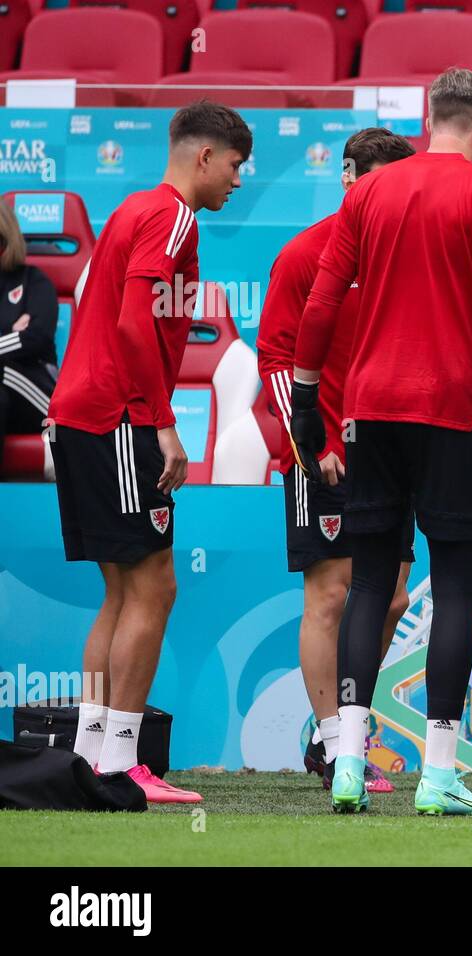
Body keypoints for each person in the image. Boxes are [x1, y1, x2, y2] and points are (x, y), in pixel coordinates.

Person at [290, 69, 472, 816]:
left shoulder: (369, 191)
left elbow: (322, 301)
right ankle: (437, 774)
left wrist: (308, 403)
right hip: (451, 408)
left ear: (430, 118)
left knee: (368, 580)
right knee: (457, 582)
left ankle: (346, 762)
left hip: (369, 408)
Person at [48, 100, 251, 803]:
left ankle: (90, 754)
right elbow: (137, 323)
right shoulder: (172, 215)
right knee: (154, 585)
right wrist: (163, 422)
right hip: (118, 417)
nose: (237, 181)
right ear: (204, 157)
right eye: (234, 166)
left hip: (85, 414)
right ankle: (120, 763)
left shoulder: (133, 212)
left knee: (122, 591)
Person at [257, 127, 418, 796]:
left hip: (393, 444)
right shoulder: (305, 255)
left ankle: (348, 730)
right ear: (350, 178)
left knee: (392, 598)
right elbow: (274, 360)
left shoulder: (411, 255)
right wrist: (310, 441)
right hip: (320, 448)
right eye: (383, 183)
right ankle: (334, 746)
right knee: (329, 595)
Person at [0, 200, 59, 468]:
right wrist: (12, 336)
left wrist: (20, 339)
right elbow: (23, 341)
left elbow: (37, 338)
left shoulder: (34, 281)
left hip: (42, 399)